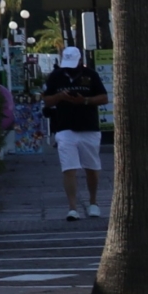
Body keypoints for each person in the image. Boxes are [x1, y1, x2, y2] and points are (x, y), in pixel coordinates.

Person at [42, 44, 109, 220]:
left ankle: (93, 202)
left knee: (92, 168)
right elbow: (47, 100)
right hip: (65, 127)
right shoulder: (56, 76)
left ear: (80, 60)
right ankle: (72, 208)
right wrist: (60, 97)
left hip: (89, 127)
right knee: (69, 168)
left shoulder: (91, 75)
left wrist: (84, 100)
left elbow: (104, 97)